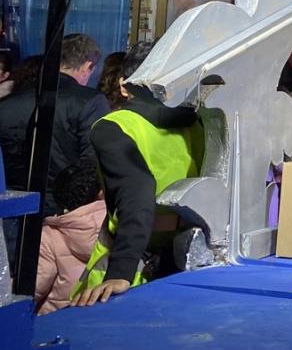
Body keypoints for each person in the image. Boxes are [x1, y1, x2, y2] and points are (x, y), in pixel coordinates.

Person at [72, 41, 204, 306]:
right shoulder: (202, 124)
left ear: (124, 85)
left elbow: (137, 191)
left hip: (136, 268)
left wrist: (120, 272)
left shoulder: (115, 127)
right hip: (192, 261)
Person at [0, 35, 105, 217]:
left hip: (12, 206)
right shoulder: (91, 101)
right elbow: (93, 161)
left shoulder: (8, 103)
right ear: (87, 66)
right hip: (64, 211)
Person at [35, 159, 106, 314]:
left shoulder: (50, 236)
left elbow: (34, 289)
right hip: (111, 313)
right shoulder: (123, 223)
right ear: (101, 192)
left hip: (58, 320)